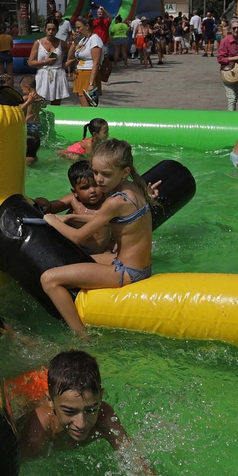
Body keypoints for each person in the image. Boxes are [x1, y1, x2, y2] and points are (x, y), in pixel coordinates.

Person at [13, 350, 198, 476]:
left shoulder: (104, 417)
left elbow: (137, 465)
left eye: (91, 409)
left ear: (101, 396)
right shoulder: (37, 436)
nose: (82, 423)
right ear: (50, 401)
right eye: (69, 411)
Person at [39, 139, 154, 334]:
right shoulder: (133, 188)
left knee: (48, 279)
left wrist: (53, 220)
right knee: (72, 259)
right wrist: (74, 216)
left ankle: (81, 336)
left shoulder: (115, 201)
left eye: (106, 175)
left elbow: (77, 237)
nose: (99, 180)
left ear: (124, 172)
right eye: (95, 172)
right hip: (137, 264)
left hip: (127, 271)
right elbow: (118, 223)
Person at [29, 27, 71, 105]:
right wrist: (45, 61)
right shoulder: (38, 43)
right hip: (43, 74)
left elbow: (72, 51)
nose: (51, 32)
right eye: (48, 29)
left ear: (57, 30)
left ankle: (56, 116)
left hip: (57, 73)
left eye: (53, 29)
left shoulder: (61, 43)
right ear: (45, 29)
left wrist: (66, 63)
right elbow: (31, 62)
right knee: (39, 100)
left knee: (56, 102)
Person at [72, 17, 104, 107]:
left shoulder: (94, 39)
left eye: (79, 27)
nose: (77, 30)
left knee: (86, 106)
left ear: (87, 26)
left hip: (88, 73)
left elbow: (96, 63)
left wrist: (91, 84)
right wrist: (74, 41)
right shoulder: (84, 39)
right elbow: (73, 52)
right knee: (83, 103)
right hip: (80, 73)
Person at [216, 21, 238, 110]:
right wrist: (236, 58)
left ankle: (231, 114)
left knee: (235, 98)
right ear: (230, 29)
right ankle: (230, 119)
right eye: (234, 28)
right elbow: (220, 59)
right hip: (228, 72)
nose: (236, 30)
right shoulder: (225, 41)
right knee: (232, 98)